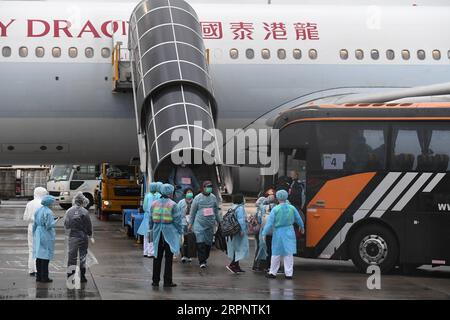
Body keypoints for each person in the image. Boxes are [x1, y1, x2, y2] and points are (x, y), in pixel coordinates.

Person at [261, 190, 305, 279]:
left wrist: (264, 233)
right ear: (286, 197)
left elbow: (269, 223)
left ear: (277, 198)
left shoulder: (275, 209)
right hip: (289, 231)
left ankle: (273, 272)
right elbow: (298, 219)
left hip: (278, 232)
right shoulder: (292, 208)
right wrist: (302, 227)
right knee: (288, 253)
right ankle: (289, 274)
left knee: (276, 253)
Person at [149, 183, 183, 287]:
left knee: (157, 257)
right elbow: (177, 221)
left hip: (157, 233)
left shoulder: (154, 204)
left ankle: (155, 281)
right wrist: (180, 232)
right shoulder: (173, 205)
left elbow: (150, 220)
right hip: (169, 235)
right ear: (170, 193)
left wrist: (151, 230)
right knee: (168, 259)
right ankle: (167, 281)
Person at [188, 180, 221, 269]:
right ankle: (202, 261)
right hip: (199, 224)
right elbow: (193, 212)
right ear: (203, 188)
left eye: (210, 186)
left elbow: (216, 211)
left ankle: (205, 257)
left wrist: (219, 222)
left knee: (208, 243)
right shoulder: (197, 198)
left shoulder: (213, 197)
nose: (209, 188)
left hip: (210, 224)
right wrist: (190, 224)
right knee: (200, 242)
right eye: (207, 186)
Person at [64, 192, 94, 283]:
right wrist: (90, 234)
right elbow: (88, 225)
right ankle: (83, 276)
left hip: (73, 236)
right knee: (82, 256)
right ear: (83, 201)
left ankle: (70, 276)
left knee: (71, 257)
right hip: (83, 237)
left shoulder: (69, 211)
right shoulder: (85, 212)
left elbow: (66, 224)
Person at [23, 187, 48, 276]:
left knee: (31, 249)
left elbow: (25, 218)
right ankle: (38, 269)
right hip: (40, 228)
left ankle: (31, 269)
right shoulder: (43, 204)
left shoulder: (29, 204)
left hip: (31, 227)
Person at [33, 195, 58, 283]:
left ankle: (38, 276)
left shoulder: (38, 210)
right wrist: (56, 220)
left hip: (38, 232)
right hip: (46, 234)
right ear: (49, 203)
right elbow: (49, 225)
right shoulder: (49, 212)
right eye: (52, 203)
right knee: (45, 255)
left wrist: (34, 233)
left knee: (39, 255)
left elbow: (34, 223)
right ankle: (44, 277)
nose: (53, 204)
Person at [252, 188, 276, 272]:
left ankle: (258, 265)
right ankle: (260, 265)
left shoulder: (262, 206)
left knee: (261, 247)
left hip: (262, 230)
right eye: (270, 195)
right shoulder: (271, 207)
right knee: (263, 247)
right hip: (266, 230)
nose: (272, 197)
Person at [226, 194, 249, 274]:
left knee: (235, 248)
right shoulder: (240, 208)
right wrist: (242, 230)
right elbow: (241, 220)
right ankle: (232, 265)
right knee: (239, 248)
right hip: (238, 231)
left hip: (232, 231)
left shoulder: (233, 207)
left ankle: (236, 266)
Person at [137, 182, 161, 258]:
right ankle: (151, 252)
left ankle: (146, 251)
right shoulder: (159, 196)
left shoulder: (147, 196)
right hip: (156, 217)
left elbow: (144, 207)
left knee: (146, 235)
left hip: (147, 217)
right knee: (153, 235)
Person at [176, 188, 195, 263]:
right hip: (183, 223)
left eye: (191, 192)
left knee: (190, 240)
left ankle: (189, 255)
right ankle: (183, 255)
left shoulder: (195, 202)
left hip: (192, 224)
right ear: (185, 194)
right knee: (182, 241)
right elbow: (177, 213)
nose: (190, 193)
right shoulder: (181, 202)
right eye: (188, 192)